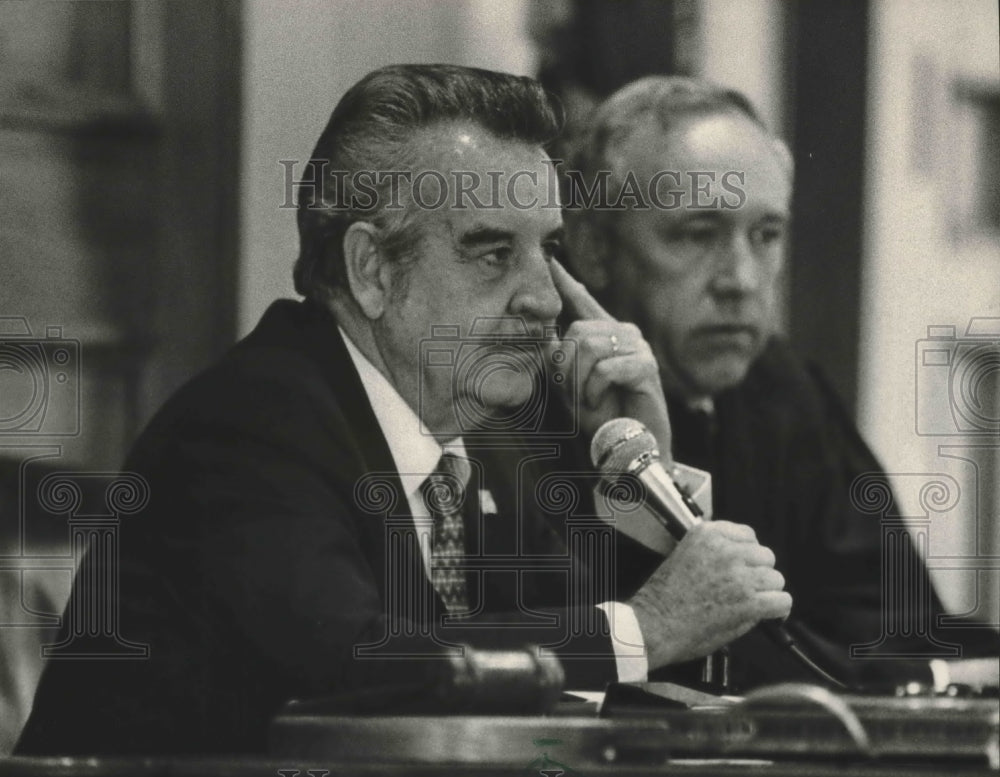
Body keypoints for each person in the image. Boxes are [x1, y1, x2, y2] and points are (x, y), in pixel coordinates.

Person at [16, 65, 791, 755]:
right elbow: (368, 668)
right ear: (372, 268)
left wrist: (640, 477)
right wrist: (644, 625)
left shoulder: (486, 445)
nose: (547, 298)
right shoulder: (248, 427)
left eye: (548, 250)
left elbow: (603, 692)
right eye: (494, 253)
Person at [562, 76, 998, 689]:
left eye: (766, 236)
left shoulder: (780, 385)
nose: (740, 278)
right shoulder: (534, 397)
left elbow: (895, 621)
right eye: (697, 234)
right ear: (594, 248)